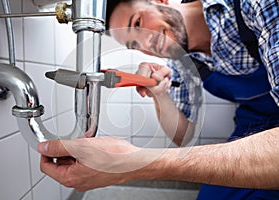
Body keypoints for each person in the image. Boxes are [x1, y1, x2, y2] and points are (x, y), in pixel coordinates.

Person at [38, 0, 279, 198]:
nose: (147, 45)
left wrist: (133, 163)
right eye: (134, 44)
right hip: (256, 123)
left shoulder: (254, 4)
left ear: (159, 1)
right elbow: (183, 137)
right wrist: (159, 95)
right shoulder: (181, 62)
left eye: (139, 23)